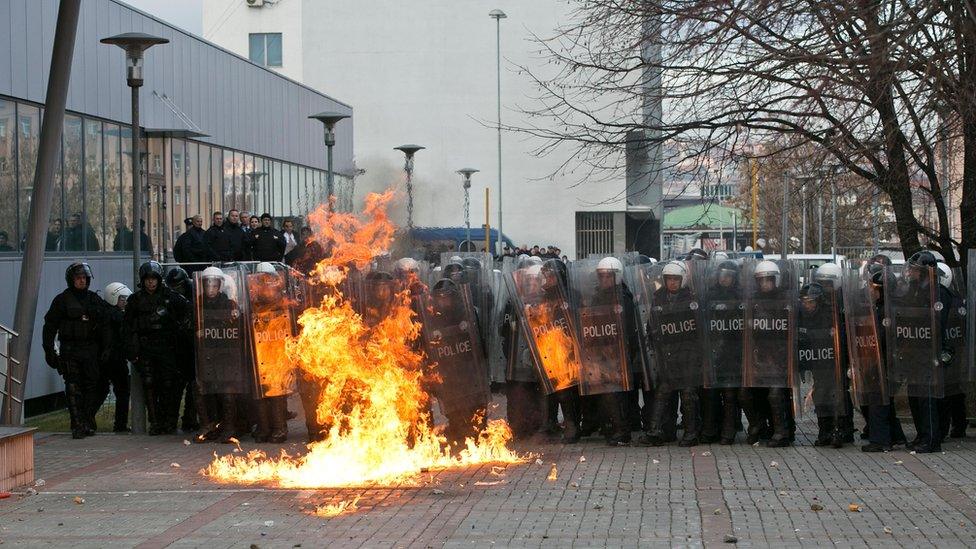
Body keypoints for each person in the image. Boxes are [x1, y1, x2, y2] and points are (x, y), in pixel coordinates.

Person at [42, 263, 111, 438]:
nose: (82, 281)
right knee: (73, 386)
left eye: (84, 278)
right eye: (78, 278)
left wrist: (106, 348)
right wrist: (49, 350)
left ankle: (87, 419)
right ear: (71, 280)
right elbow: (49, 326)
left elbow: (105, 325)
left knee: (92, 385)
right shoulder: (62, 300)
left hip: (90, 350)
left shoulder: (94, 300)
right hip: (70, 349)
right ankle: (77, 423)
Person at [640, 260, 704, 447]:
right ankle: (655, 431)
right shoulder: (658, 298)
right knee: (662, 392)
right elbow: (652, 325)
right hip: (668, 355)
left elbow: (699, 329)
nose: (672, 283)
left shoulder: (692, 299)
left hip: (688, 355)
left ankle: (691, 432)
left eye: (676, 279)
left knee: (688, 394)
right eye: (669, 279)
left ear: (682, 280)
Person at [124, 261, 189, 435]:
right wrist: (132, 352)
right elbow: (128, 327)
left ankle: (168, 421)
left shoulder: (170, 296)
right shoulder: (135, 300)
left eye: (154, 279)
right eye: (148, 279)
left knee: (168, 384)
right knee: (149, 385)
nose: (151, 282)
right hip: (146, 348)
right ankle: (155, 422)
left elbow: (187, 311)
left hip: (167, 347)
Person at [740, 260, 793, 447]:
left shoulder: (785, 301)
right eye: (761, 281)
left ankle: (782, 431)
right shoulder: (752, 301)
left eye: (768, 280)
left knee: (775, 395)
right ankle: (758, 426)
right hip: (758, 357)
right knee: (745, 393)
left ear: (775, 280)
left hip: (778, 358)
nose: (764, 285)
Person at [861, 268, 908, 452]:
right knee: (884, 401)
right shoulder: (883, 306)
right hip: (885, 362)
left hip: (887, 362)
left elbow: (882, 337)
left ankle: (881, 440)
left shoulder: (888, 310)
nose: (871, 292)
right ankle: (896, 436)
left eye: (874, 288)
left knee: (878, 400)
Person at [164, 267, 199, 433]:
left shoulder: (193, 294)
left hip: (193, 345)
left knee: (193, 387)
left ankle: (190, 420)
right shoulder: (169, 298)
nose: (175, 291)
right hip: (177, 347)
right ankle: (170, 421)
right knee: (174, 387)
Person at [94, 282, 132, 432]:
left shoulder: (103, 313)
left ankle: (86, 418)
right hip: (115, 359)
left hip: (106, 359)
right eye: (122, 299)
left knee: (101, 390)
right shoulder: (115, 316)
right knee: (122, 391)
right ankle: (120, 425)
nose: (124, 302)